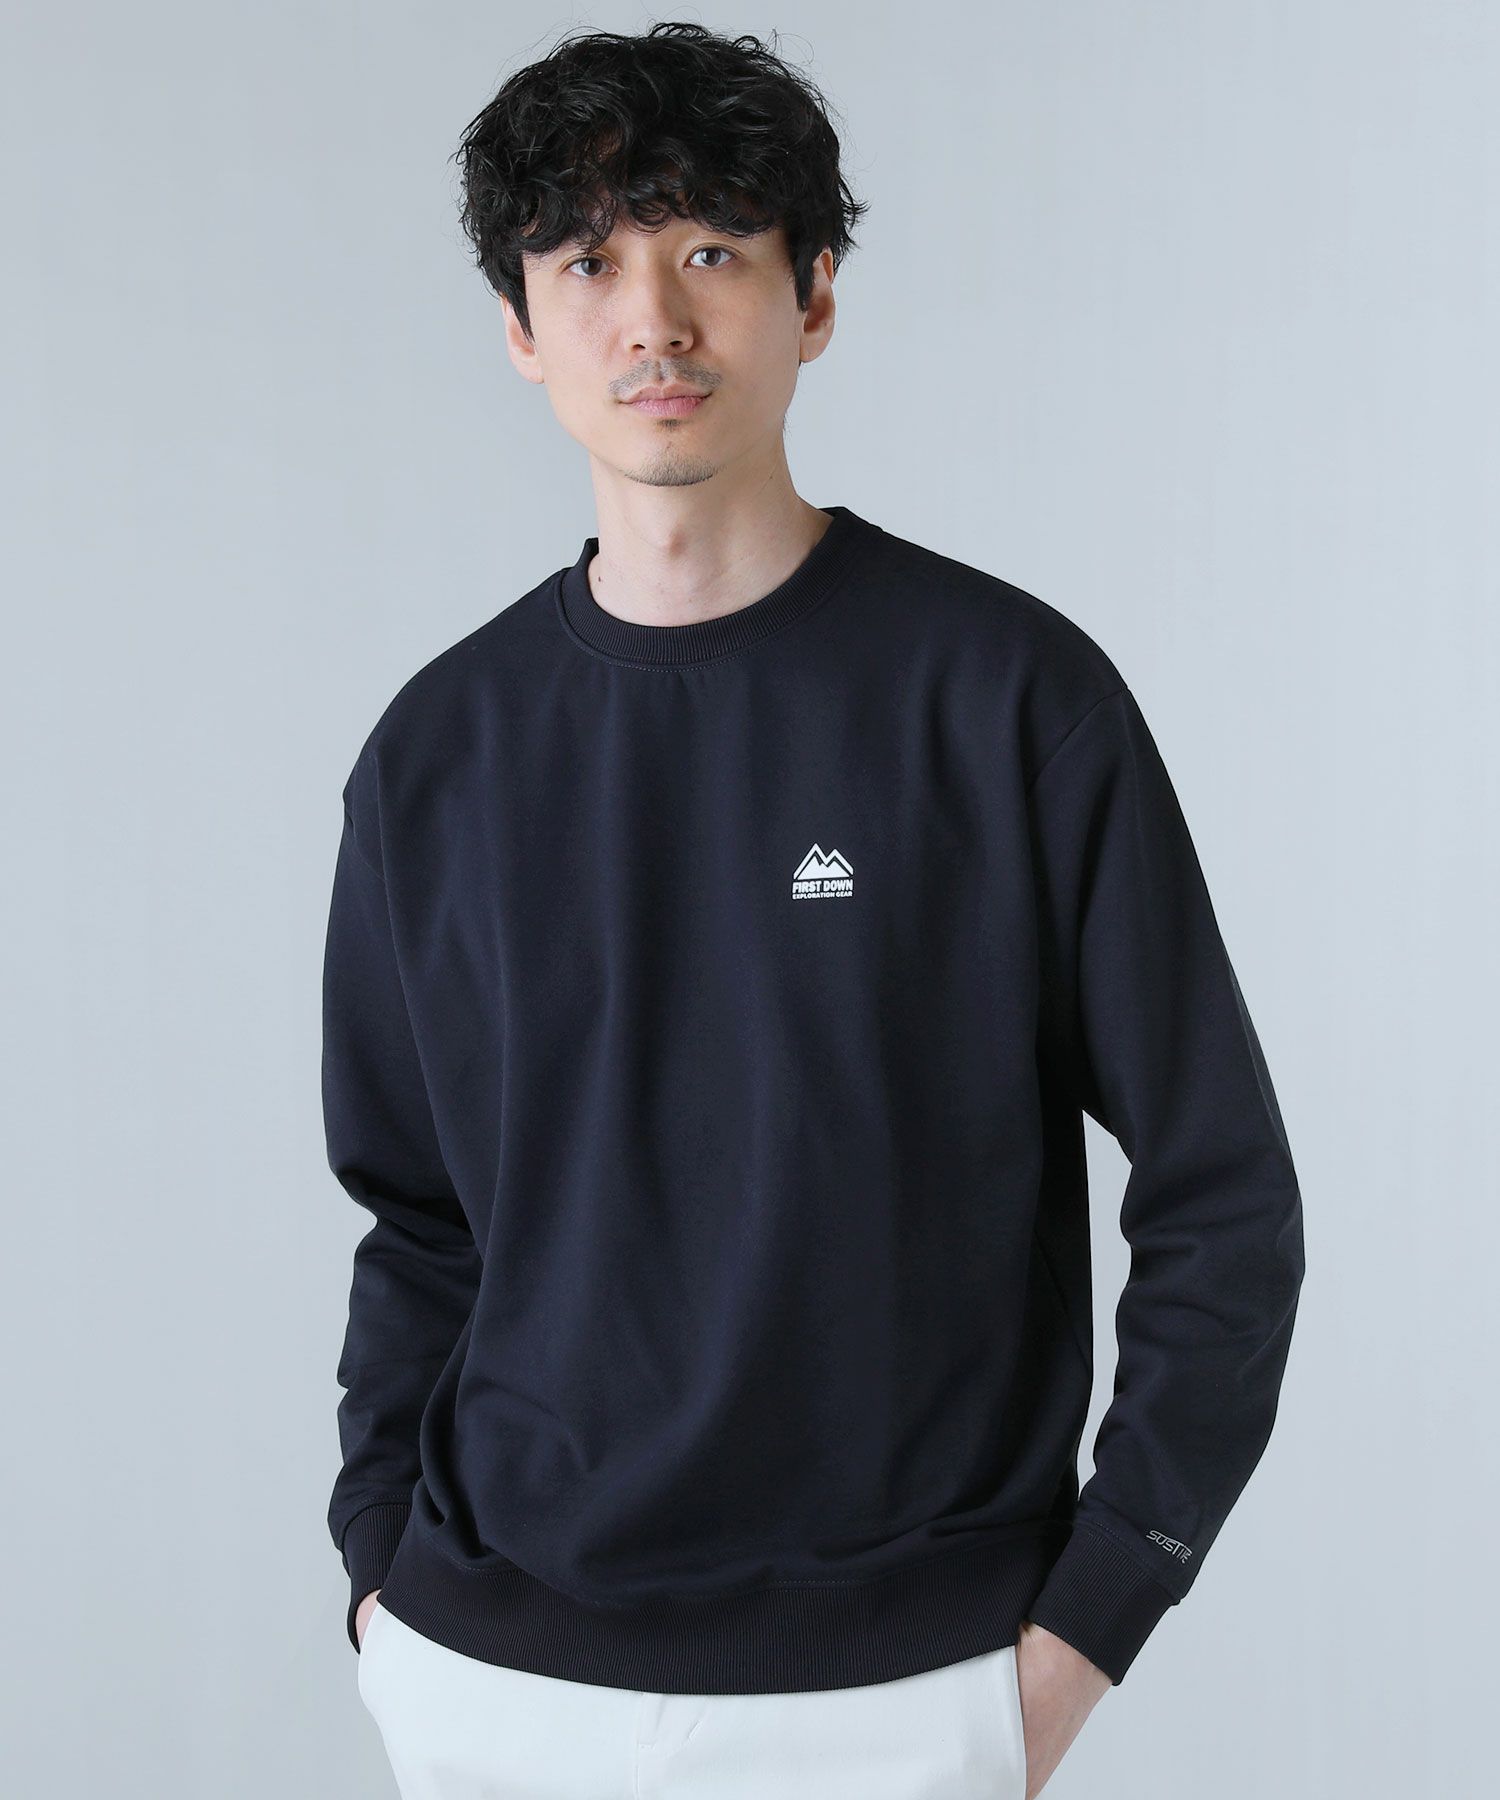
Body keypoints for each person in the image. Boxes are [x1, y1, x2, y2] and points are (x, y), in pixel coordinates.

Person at [321, 21, 1306, 1799]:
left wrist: (1091, 1622)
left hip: (902, 1689)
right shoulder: (437, 754)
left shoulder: (1007, 701)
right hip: (487, 1680)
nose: (654, 321)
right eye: (588, 263)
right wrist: (380, 1578)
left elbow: (1224, 1194)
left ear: (816, 297)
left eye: (712, 250)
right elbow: (418, 1222)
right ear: (520, 325)